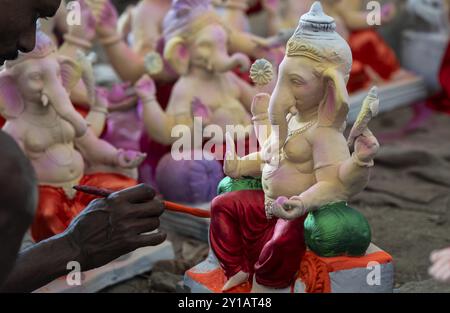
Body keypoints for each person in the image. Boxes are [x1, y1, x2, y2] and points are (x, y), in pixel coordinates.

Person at [0, 0, 166, 292]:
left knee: (119, 188)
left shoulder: (61, 108)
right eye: (35, 13)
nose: (27, 40)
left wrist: (117, 154)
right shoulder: (16, 133)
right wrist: (73, 247)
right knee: (44, 209)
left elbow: (89, 141)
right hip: (47, 195)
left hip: (79, 185)